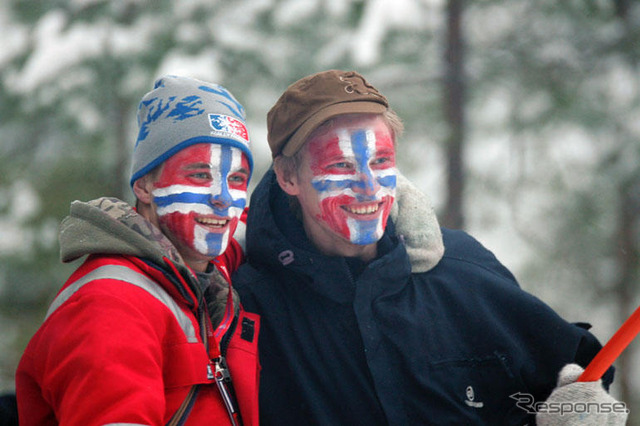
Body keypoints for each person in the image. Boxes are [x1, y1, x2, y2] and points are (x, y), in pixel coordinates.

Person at [233, 70, 628, 425]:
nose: (369, 187)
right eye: (341, 166)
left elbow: (577, 369)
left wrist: (579, 408)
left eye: (381, 160)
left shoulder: (462, 269)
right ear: (287, 176)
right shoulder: (248, 305)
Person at [15, 75, 260, 426]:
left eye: (236, 180)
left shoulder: (200, 269)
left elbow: (264, 225)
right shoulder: (109, 303)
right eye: (199, 175)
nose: (222, 197)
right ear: (144, 185)